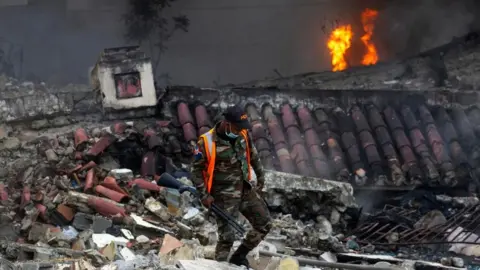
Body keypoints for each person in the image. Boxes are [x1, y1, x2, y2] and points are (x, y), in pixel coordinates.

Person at [190, 105, 272, 267]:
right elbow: (195, 170)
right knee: (227, 238)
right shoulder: (206, 142)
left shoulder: (243, 134)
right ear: (226, 123)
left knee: (264, 224)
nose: (240, 130)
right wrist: (204, 195)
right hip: (222, 196)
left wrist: (261, 177)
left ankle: (238, 257)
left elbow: (253, 155)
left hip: (245, 189)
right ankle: (220, 266)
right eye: (236, 127)